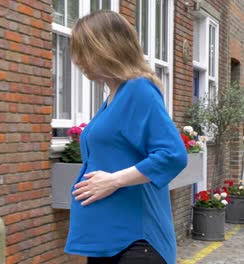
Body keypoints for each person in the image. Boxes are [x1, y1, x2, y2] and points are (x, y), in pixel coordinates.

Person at [64, 10, 188, 264]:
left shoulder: (138, 89)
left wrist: (113, 181)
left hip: (135, 242)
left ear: (107, 48)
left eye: (84, 51)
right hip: (108, 242)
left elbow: (172, 155)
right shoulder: (113, 98)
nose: (78, 61)